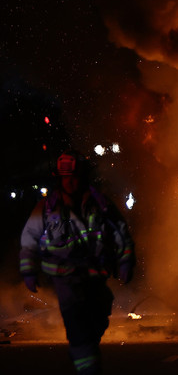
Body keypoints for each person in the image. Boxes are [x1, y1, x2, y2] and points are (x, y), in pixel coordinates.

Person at [20, 151, 136, 375]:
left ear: (83, 177)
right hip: (66, 279)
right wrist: (29, 271)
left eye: (74, 176)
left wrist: (125, 261)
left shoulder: (100, 204)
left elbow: (122, 233)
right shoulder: (46, 208)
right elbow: (29, 240)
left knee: (98, 322)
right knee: (78, 328)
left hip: (95, 276)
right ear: (59, 179)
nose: (70, 181)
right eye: (65, 177)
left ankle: (79, 358)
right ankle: (88, 368)